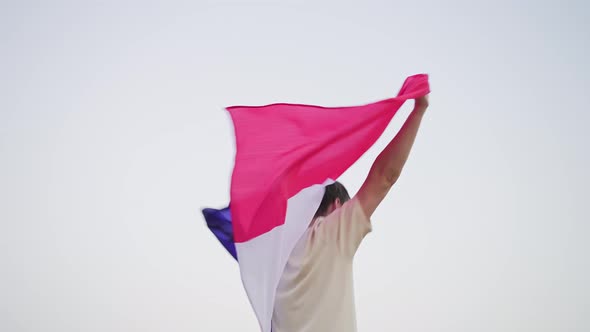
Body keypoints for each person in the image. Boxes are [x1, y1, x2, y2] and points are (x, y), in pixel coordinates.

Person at [271, 95, 430, 332]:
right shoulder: (328, 236)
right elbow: (384, 178)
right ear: (337, 206)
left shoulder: (276, 261)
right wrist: (419, 110)